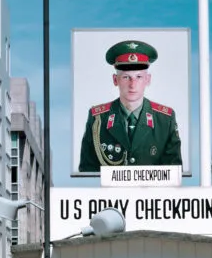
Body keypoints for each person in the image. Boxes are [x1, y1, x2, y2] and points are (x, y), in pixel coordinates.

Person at [77, 40, 182, 172]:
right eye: (126, 77)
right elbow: (87, 172)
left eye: (138, 77)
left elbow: (174, 175)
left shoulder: (165, 119)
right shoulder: (97, 119)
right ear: (115, 80)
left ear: (147, 80)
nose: (133, 85)